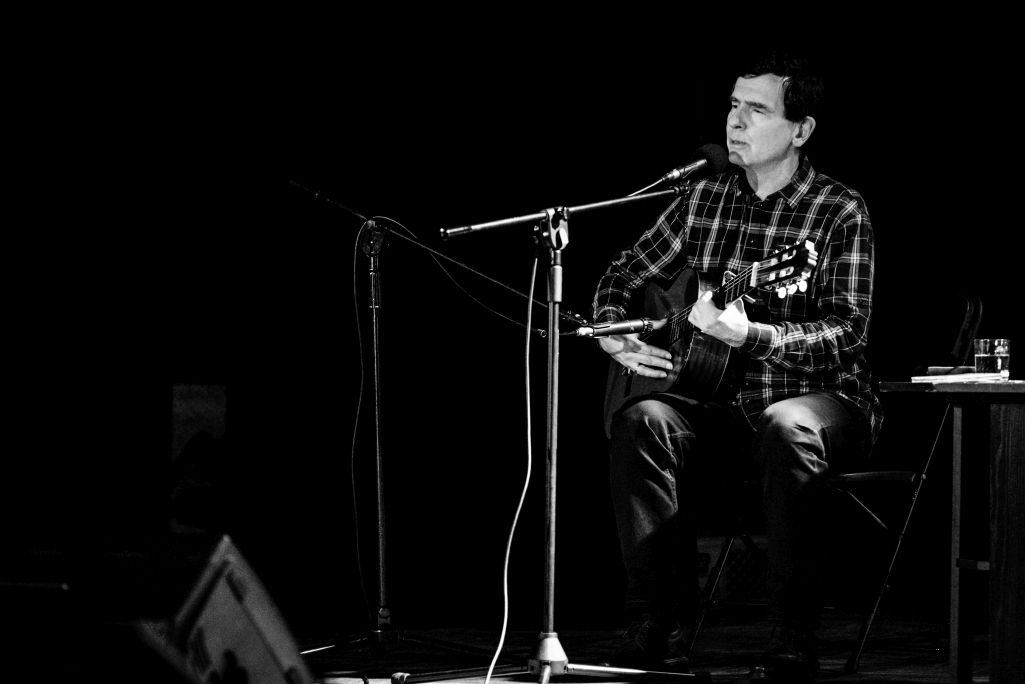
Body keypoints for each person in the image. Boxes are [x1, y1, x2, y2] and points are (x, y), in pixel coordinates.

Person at [590, 50, 882, 681]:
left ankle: (792, 635)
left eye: (757, 109)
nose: (736, 121)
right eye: (732, 105)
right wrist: (613, 334)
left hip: (824, 402)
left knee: (786, 424)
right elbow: (623, 272)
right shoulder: (702, 198)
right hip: (720, 403)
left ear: (801, 130)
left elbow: (847, 332)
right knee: (641, 419)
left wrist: (755, 335)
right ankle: (658, 624)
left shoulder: (837, 209)